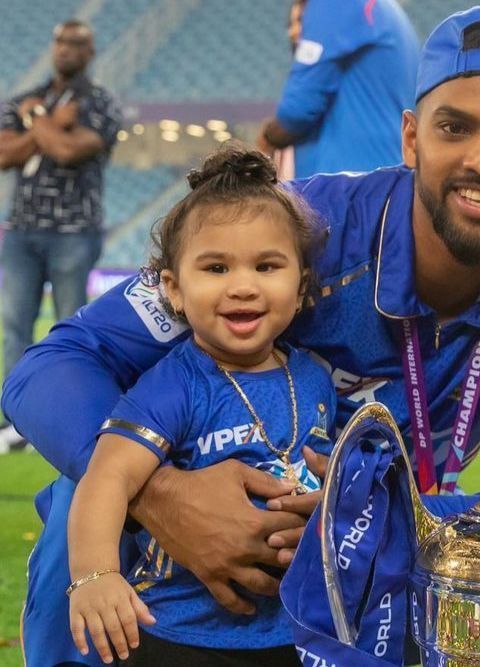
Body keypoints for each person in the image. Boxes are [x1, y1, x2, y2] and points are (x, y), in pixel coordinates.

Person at [4, 7, 480, 666]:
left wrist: (399, 511)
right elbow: (51, 366)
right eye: (454, 127)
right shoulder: (300, 231)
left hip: (345, 569)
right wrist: (160, 494)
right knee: (91, 488)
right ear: (411, 138)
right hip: (156, 571)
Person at [67, 145, 334, 665]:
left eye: (266, 266)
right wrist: (94, 576)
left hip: (292, 630)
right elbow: (107, 478)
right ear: (174, 289)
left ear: (299, 288)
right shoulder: (176, 384)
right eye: (215, 267)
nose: (242, 286)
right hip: (180, 634)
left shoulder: (316, 376)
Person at [0, 19, 121, 450]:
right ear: (53, 47)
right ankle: (16, 422)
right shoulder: (26, 101)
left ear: (90, 52)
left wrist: (33, 125)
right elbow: (3, 154)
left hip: (75, 231)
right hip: (21, 230)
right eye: (61, 42)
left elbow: (69, 151)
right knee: (15, 327)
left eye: (77, 43)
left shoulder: (100, 104)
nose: (67, 49)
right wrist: (46, 121)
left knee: (72, 328)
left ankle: (63, 418)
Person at [257, 0, 419, 178]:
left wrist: (267, 139)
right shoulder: (390, 12)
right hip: (386, 178)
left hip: (348, 188)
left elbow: (297, 111)